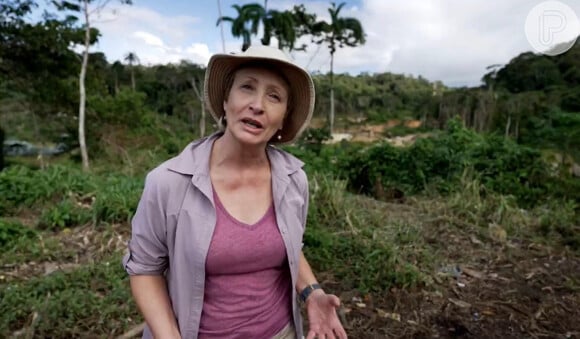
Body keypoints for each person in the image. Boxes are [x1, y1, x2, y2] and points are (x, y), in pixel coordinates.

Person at [122, 45, 347, 339]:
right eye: (247, 88)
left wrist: (313, 293)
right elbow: (144, 270)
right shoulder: (168, 182)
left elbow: (292, 248)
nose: (258, 105)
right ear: (226, 99)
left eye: (274, 96)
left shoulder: (293, 180)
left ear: (283, 118)